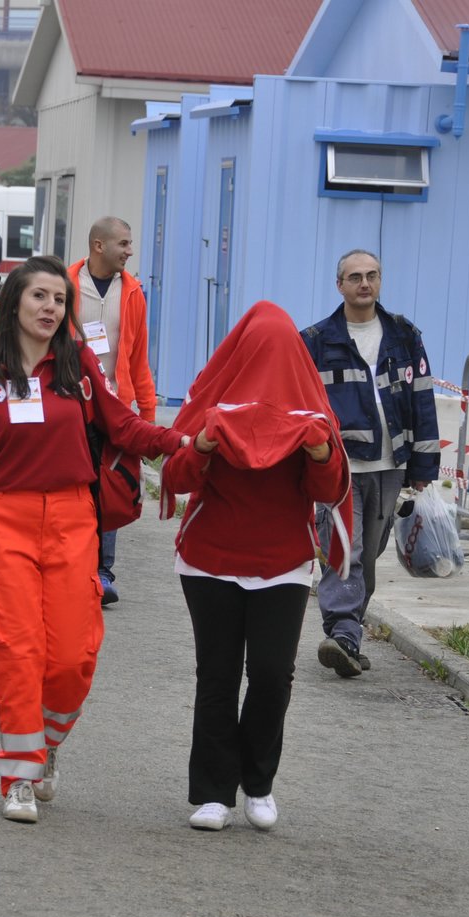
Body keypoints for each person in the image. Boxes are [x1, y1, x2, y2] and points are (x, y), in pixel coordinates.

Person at [0, 256, 189, 824]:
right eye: (40, 297)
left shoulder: (77, 366)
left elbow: (122, 425)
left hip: (73, 520)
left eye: (59, 300)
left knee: (74, 655)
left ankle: (47, 746)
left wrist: (179, 440)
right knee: (19, 653)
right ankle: (19, 775)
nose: (51, 308)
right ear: (14, 303)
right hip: (5, 521)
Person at [161, 302, 351, 831]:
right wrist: (201, 444)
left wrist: (318, 452)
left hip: (282, 563)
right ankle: (214, 792)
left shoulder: (310, 409)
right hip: (209, 560)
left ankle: (259, 783)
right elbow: (175, 477)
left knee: (272, 676)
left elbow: (331, 491)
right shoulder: (214, 401)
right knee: (217, 677)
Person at [299, 249, 439, 678]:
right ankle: (342, 632)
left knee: (370, 552)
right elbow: (301, 405)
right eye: (355, 277)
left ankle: (349, 633)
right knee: (348, 550)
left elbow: (422, 399)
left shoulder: (404, 335)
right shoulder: (316, 340)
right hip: (337, 467)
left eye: (372, 275)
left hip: (390, 465)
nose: (365, 283)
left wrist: (423, 467)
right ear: (338, 285)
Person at [68, 217, 156, 608]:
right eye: (124, 243)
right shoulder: (67, 284)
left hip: (116, 405)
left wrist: (148, 418)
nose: (130, 251)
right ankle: (72, 566)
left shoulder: (133, 292)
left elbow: (139, 358)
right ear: (98, 246)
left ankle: (103, 572)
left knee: (110, 485)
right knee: (73, 485)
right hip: (70, 402)